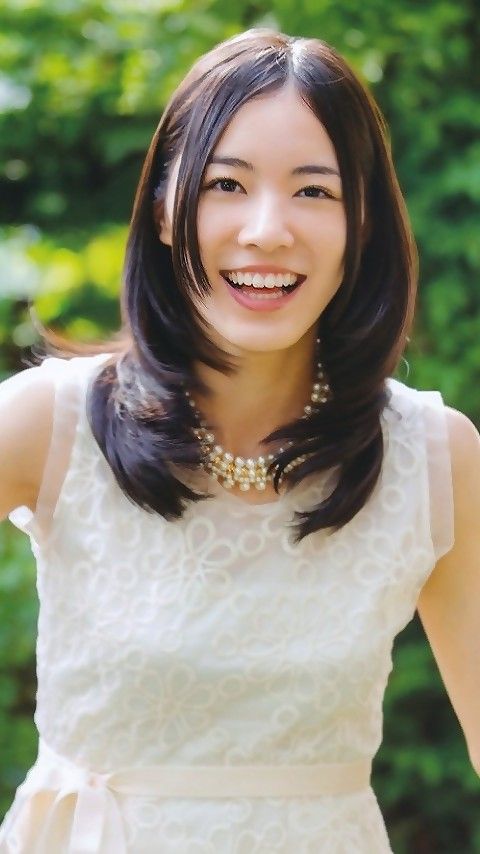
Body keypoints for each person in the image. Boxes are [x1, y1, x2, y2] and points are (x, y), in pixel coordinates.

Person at [0, 26, 478, 854]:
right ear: (164, 208)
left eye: (314, 191)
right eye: (227, 183)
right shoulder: (46, 422)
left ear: (363, 223)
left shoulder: (434, 457)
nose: (266, 230)